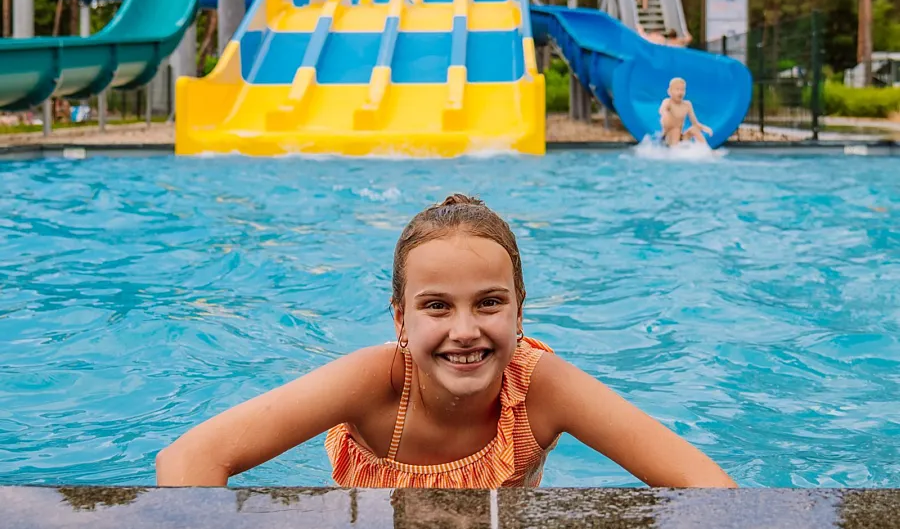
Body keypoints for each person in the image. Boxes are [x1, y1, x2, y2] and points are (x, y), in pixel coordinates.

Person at [156, 194, 737, 489]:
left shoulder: (541, 390)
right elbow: (189, 457)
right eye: (437, 306)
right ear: (401, 321)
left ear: (519, 311)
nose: (466, 330)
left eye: (489, 302)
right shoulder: (372, 384)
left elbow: (710, 487)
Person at [659, 78, 713, 147]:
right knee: (676, 130)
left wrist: (705, 128)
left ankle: (707, 150)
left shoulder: (687, 105)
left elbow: (695, 123)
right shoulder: (668, 102)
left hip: (681, 137)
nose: (680, 92)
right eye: (677, 89)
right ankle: (674, 151)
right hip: (668, 138)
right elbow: (662, 110)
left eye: (682, 90)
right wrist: (665, 114)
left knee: (694, 129)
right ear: (669, 91)